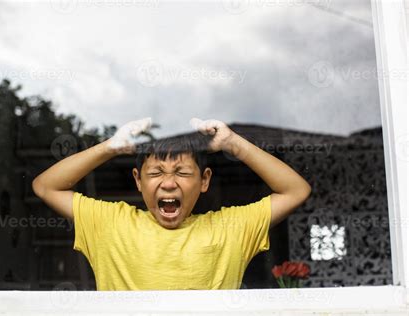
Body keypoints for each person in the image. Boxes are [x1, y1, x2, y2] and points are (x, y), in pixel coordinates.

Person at [32, 117, 311, 290]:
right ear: (138, 181)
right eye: (155, 173)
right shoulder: (109, 223)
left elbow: (295, 191)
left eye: (181, 173)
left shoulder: (230, 228)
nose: (168, 183)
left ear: (204, 180)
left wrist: (232, 142)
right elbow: (45, 186)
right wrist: (110, 146)